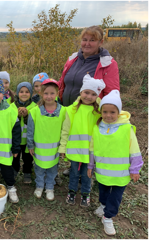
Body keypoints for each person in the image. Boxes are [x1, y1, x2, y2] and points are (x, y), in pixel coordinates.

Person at [58, 25, 120, 176]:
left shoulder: (108, 64)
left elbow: (112, 91)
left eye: (92, 40)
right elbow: (63, 81)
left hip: (92, 111)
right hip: (70, 108)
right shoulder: (73, 59)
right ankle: (75, 166)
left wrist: (107, 113)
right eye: (84, 39)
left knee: (88, 140)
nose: (87, 43)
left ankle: (87, 171)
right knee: (74, 137)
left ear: (101, 42)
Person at [87, 90, 143, 236]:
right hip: (102, 171)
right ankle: (103, 205)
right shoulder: (97, 127)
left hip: (121, 174)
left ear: (119, 112)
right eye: (105, 111)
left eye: (112, 112)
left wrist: (135, 169)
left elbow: (134, 150)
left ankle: (108, 217)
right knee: (103, 191)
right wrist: (91, 166)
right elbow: (92, 149)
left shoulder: (126, 129)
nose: (108, 115)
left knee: (116, 196)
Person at [59, 75, 106, 207]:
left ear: (97, 96)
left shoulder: (99, 112)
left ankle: (86, 194)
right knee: (74, 173)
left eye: (93, 94)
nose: (89, 96)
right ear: (81, 92)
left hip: (90, 151)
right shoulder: (72, 110)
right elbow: (65, 130)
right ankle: (72, 192)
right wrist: (63, 147)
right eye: (86, 92)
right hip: (75, 150)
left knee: (87, 174)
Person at [27, 79, 66, 200]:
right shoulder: (34, 112)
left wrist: (63, 147)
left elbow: (65, 131)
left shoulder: (63, 111)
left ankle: (49, 187)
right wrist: (30, 145)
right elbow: (30, 130)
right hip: (39, 150)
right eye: (46, 93)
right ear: (41, 94)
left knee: (52, 170)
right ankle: (39, 186)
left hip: (54, 150)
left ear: (57, 93)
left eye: (52, 93)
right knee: (39, 169)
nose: (49, 96)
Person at [10, 82, 36, 183]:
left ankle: (27, 172)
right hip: (15, 139)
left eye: (27, 92)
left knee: (28, 158)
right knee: (15, 157)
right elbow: (10, 121)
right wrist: (17, 114)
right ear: (17, 93)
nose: (24, 94)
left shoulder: (34, 107)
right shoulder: (12, 106)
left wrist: (26, 115)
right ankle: (14, 171)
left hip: (28, 140)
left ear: (31, 94)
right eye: (21, 92)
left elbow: (35, 121)